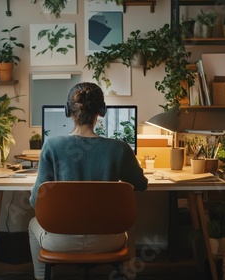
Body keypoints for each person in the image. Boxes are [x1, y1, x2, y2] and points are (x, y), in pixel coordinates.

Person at [28, 82, 148, 279]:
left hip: (61, 241)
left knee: (32, 223)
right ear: (101, 111)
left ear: (68, 111)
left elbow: (35, 202)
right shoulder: (119, 149)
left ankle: (42, 278)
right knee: (128, 224)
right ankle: (128, 274)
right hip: (109, 240)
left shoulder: (51, 146)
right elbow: (142, 185)